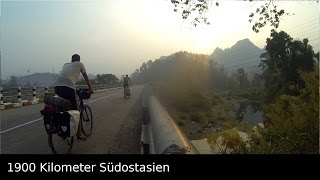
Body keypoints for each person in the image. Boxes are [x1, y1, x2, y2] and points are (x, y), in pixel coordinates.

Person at [54, 54, 93, 141]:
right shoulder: (80, 64)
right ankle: (79, 135)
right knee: (76, 111)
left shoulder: (65, 64)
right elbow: (86, 79)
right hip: (68, 87)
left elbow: (66, 76)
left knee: (63, 107)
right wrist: (90, 89)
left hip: (57, 87)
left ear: (71, 60)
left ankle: (61, 126)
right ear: (79, 60)